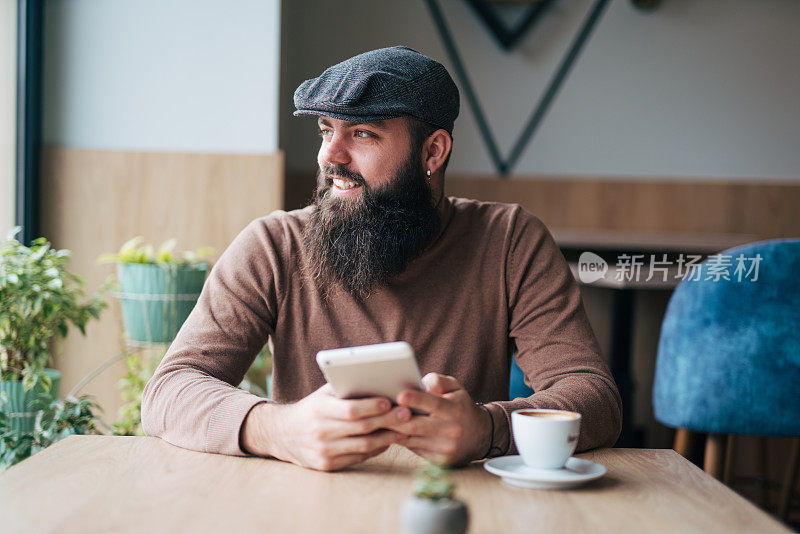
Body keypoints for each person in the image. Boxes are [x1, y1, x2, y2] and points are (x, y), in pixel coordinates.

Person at [141, 46, 621, 471]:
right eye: (326, 129)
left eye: (363, 134)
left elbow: (593, 395)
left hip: (462, 509)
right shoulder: (273, 244)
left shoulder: (510, 241)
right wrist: (278, 429)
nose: (331, 156)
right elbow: (170, 391)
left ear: (433, 151)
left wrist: (488, 430)